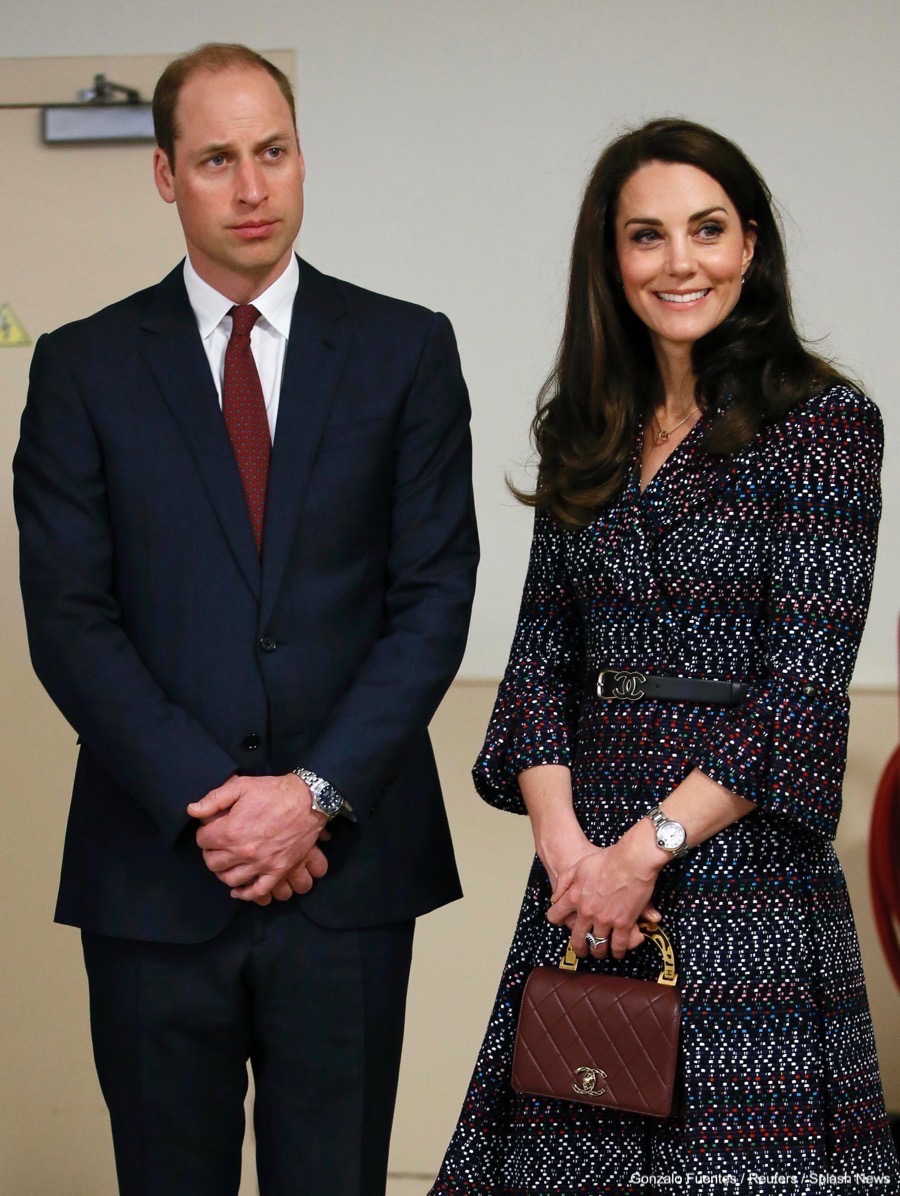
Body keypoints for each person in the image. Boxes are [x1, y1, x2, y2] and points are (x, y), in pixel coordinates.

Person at [14, 42, 478, 1196]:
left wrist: (311, 795)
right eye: (218, 159)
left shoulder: (405, 348)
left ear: (303, 158)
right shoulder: (80, 369)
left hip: (350, 872)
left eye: (273, 151)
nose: (254, 186)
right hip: (157, 872)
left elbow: (433, 598)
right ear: (167, 176)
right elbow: (69, 618)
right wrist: (220, 810)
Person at [430, 118, 899, 1193]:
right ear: (613, 259)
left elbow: (800, 692)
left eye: (707, 229)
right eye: (647, 236)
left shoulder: (824, 424)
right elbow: (538, 662)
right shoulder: (586, 428)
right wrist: (568, 849)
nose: (679, 261)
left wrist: (644, 852)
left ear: (751, 246)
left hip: (739, 874)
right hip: (585, 878)